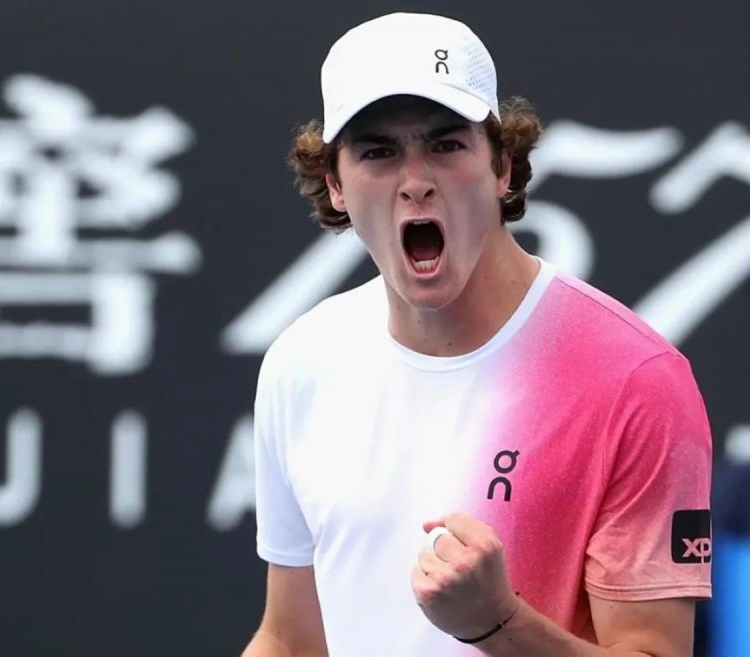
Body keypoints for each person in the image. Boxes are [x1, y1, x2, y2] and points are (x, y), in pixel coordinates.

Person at [242, 12, 712, 657]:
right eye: (378, 151)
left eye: (445, 144)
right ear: (335, 185)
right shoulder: (303, 359)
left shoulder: (635, 378)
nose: (415, 182)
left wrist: (498, 624)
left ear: (503, 169)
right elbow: (291, 641)